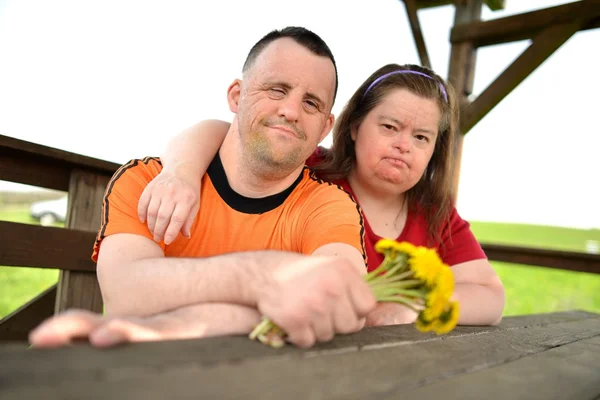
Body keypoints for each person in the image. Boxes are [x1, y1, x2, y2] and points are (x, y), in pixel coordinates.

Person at [28, 26, 378, 349]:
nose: (290, 110)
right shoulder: (147, 181)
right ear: (237, 96)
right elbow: (126, 295)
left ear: (324, 128)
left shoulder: (330, 205)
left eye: (311, 103)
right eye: (277, 89)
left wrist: (199, 319)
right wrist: (262, 279)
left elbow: (341, 303)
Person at [137, 64, 506, 327]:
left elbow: (491, 297)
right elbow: (220, 131)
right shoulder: (312, 168)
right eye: (390, 127)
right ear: (355, 128)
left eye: (421, 137)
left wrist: (409, 305)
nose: (403, 145)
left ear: (434, 150)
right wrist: (180, 173)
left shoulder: (436, 215)